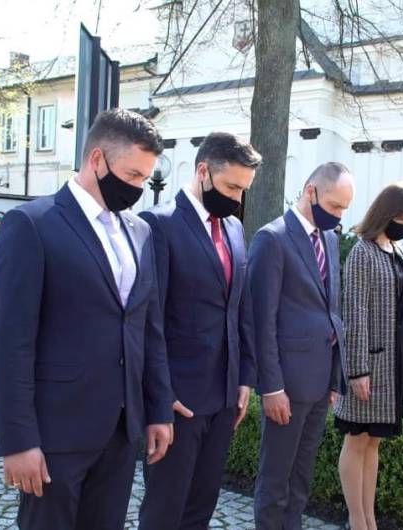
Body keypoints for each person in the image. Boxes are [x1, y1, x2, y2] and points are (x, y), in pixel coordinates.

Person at [0, 108, 174, 530]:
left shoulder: (140, 231)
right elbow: (9, 342)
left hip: (121, 432)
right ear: (96, 159)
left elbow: (148, 329)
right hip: (55, 434)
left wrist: (158, 408)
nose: (137, 188)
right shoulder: (31, 224)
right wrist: (17, 441)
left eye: (145, 179)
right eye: (132, 175)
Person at [138, 133, 261, 530]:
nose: (237, 198)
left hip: (223, 399)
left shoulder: (235, 228)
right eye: (232, 187)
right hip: (179, 401)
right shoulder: (158, 224)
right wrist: (160, 395)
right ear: (203, 171)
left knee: (200, 509)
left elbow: (240, 308)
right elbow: (149, 320)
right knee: (164, 513)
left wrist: (244, 377)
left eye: (243, 190)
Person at [249, 162, 354, 530]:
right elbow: (262, 321)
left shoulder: (329, 239)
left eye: (344, 208)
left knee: (301, 479)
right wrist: (271, 387)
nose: (338, 215)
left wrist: (334, 378)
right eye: (334, 205)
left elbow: (332, 310)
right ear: (311, 192)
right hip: (286, 385)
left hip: (320, 381)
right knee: (275, 479)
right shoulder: (272, 239)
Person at [333, 184, 403, 530]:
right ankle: (357, 520)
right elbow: (354, 313)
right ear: (387, 213)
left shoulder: (397, 251)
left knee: (373, 443)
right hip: (369, 366)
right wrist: (357, 371)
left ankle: (370, 519)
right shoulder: (362, 252)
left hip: (393, 366)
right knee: (357, 439)